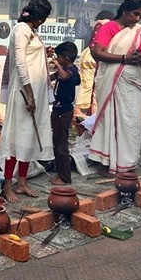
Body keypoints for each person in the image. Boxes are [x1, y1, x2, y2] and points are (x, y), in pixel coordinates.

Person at [0, 0, 55, 202]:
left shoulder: (31, 31)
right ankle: (8, 185)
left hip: (35, 92)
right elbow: (21, 63)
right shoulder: (21, 30)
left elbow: (30, 57)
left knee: (28, 137)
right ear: (40, 17)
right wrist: (29, 94)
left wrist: (43, 53)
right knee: (17, 139)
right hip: (24, 92)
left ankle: (22, 182)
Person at [88, 0, 141, 175]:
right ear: (124, 11)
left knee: (131, 121)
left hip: (131, 81)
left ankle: (126, 162)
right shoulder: (110, 27)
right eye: (135, 14)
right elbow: (97, 53)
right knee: (109, 119)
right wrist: (124, 59)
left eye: (140, 15)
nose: (137, 19)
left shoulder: (138, 31)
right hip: (111, 79)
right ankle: (106, 162)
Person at [49, 41, 80, 185]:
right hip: (57, 109)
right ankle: (58, 170)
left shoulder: (71, 71)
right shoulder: (65, 70)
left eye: (59, 57)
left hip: (64, 111)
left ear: (66, 58)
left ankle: (65, 177)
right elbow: (52, 77)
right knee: (56, 141)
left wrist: (57, 64)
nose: (57, 59)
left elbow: (65, 77)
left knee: (62, 145)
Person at [75, 10, 114, 115]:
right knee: (97, 86)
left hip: (90, 55)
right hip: (99, 56)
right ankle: (91, 112)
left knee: (87, 84)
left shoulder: (99, 25)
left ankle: (81, 110)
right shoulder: (109, 26)